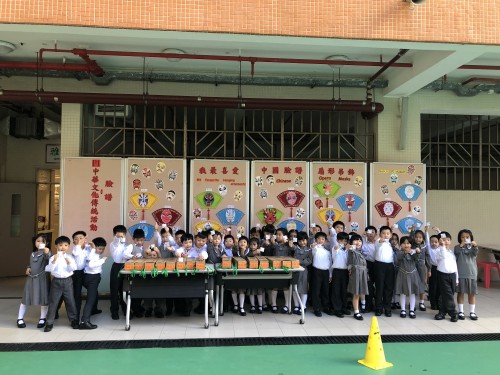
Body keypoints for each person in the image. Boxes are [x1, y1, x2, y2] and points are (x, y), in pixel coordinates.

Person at [44, 236, 79, 332]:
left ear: (68, 246)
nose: (63, 247)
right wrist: (54, 261)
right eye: (60, 245)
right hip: (56, 281)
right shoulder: (52, 257)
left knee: (70, 301)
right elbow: (48, 269)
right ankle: (49, 322)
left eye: (65, 245)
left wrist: (68, 262)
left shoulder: (70, 257)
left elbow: (73, 268)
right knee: (53, 302)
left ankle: (73, 320)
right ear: (56, 246)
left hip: (68, 281)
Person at [17, 234, 50, 329]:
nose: (40, 243)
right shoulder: (33, 254)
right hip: (31, 278)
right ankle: (19, 318)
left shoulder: (46, 252)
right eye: (38, 241)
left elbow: (50, 259)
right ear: (34, 243)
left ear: (46, 243)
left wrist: (47, 252)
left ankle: (42, 318)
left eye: (43, 241)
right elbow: (31, 264)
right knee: (26, 297)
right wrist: (28, 268)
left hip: (42, 279)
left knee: (44, 298)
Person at [429, 231, 459, 322]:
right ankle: (453, 313)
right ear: (440, 241)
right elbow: (443, 256)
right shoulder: (438, 251)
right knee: (448, 294)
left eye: (448, 240)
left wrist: (457, 278)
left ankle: (442, 312)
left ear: (450, 241)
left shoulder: (452, 252)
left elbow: (455, 266)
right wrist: (442, 246)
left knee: (445, 295)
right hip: (443, 275)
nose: (446, 242)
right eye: (443, 240)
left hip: (452, 275)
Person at [79, 237, 107, 329]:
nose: (101, 250)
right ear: (95, 248)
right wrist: (102, 260)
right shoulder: (93, 254)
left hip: (90, 276)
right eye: (99, 248)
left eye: (103, 249)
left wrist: (91, 246)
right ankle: (84, 321)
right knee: (90, 299)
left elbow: (87, 246)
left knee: (94, 294)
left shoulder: (89, 251)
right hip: (92, 277)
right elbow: (91, 265)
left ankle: (94, 310)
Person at [395, 236, 423, 319]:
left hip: (413, 275)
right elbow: (398, 259)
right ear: (400, 245)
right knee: (402, 292)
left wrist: (417, 253)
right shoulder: (399, 252)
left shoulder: (413, 252)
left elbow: (416, 258)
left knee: (412, 293)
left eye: (408, 243)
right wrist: (405, 253)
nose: (406, 245)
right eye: (404, 243)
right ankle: (403, 309)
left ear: (411, 244)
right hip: (402, 274)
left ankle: (411, 310)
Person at [454, 229, 479, 320]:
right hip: (461, 274)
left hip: (471, 274)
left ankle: (472, 312)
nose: (465, 239)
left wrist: (475, 245)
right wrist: (461, 246)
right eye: (462, 237)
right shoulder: (457, 247)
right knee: (460, 292)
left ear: (471, 238)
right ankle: (461, 311)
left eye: (467, 237)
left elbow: (475, 253)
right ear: (459, 238)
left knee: (471, 293)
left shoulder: (473, 248)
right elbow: (456, 253)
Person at [374, 225, 396, 317]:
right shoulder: (378, 242)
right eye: (383, 233)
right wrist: (380, 240)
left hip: (390, 266)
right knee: (379, 287)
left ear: (390, 235)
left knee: (389, 288)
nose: (386, 235)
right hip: (379, 266)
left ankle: (387, 308)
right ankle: (378, 308)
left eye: (388, 233)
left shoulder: (391, 244)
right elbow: (379, 242)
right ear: (380, 234)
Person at [311, 231, 334, 317]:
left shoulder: (327, 252)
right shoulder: (315, 249)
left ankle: (326, 307)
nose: (321, 240)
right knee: (316, 291)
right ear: (316, 239)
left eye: (323, 239)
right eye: (319, 238)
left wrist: (330, 274)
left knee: (325, 290)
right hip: (316, 271)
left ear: (325, 240)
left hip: (326, 272)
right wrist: (313, 247)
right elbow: (313, 251)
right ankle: (316, 308)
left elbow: (330, 264)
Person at [109, 224, 129, 320]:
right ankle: (114, 311)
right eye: (119, 236)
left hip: (125, 267)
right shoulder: (113, 244)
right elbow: (116, 241)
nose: (121, 237)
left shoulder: (126, 245)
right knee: (114, 290)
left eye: (123, 235)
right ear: (114, 235)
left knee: (124, 290)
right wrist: (118, 237)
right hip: (116, 267)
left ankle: (125, 310)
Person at [347, 233, 368, 321]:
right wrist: (351, 247)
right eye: (356, 240)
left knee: (361, 291)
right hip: (356, 273)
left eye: (360, 241)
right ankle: (356, 312)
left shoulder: (362, 252)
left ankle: (363, 305)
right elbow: (350, 250)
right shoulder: (351, 251)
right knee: (356, 293)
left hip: (363, 272)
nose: (358, 242)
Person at [292, 231, 313, 314]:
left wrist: (299, 262)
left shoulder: (309, 249)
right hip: (295, 270)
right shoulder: (295, 248)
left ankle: (303, 305)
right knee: (295, 288)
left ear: (307, 240)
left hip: (304, 271)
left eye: (304, 240)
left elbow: (309, 260)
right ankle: (296, 306)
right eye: (300, 241)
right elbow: (291, 248)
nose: (302, 242)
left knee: (303, 289)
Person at [330, 231, 350, 318]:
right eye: (342, 240)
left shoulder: (347, 250)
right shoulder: (335, 248)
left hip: (345, 271)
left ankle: (344, 307)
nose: (344, 242)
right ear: (338, 240)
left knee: (344, 290)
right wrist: (340, 246)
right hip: (337, 271)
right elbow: (336, 248)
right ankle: (337, 309)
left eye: (345, 241)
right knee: (336, 290)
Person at [410, 227, 429, 311]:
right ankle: (412, 303)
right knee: (413, 284)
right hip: (413, 266)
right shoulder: (412, 245)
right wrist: (412, 230)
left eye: (420, 237)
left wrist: (429, 269)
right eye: (416, 237)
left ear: (423, 238)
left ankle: (421, 302)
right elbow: (410, 238)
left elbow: (427, 257)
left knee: (422, 284)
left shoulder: (424, 246)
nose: (418, 239)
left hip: (422, 266)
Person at [231, 236, 250, 316]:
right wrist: (240, 250)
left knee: (242, 290)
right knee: (234, 289)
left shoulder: (250, 251)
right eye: (241, 242)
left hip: (244, 273)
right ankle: (235, 305)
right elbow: (237, 257)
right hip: (235, 272)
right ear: (238, 243)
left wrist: (243, 252)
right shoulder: (235, 250)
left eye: (244, 242)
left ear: (247, 244)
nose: (242, 243)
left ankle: (241, 307)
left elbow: (245, 259)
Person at [361, 226, 377, 313]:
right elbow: (360, 251)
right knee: (369, 286)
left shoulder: (379, 243)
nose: (370, 234)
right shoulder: (364, 243)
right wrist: (363, 238)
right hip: (368, 265)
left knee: (379, 286)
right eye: (368, 232)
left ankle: (378, 305)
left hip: (378, 265)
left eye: (372, 232)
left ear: (376, 234)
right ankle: (368, 305)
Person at [425, 226, 441, 310]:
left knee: (439, 287)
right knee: (432, 287)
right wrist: (426, 231)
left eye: (436, 242)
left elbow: (442, 239)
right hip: (432, 269)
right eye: (432, 242)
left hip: (440, 269)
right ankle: (433, 303)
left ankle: (438, 302)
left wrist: (438, 231)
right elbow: (427, 241)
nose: (434, 243)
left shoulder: (440, 249)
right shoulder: (429, 249)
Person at [247, 238, 264, 314]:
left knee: (259, 290)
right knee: (251, 290)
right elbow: (248, 255)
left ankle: (260, 306)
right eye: (251, 244)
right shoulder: (248, 252)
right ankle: (252, 306)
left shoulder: (260, 252)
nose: (252, 246)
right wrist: (254, 252)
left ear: (258, 245)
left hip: (259, 273)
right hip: (251, 273)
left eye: (254, 244)